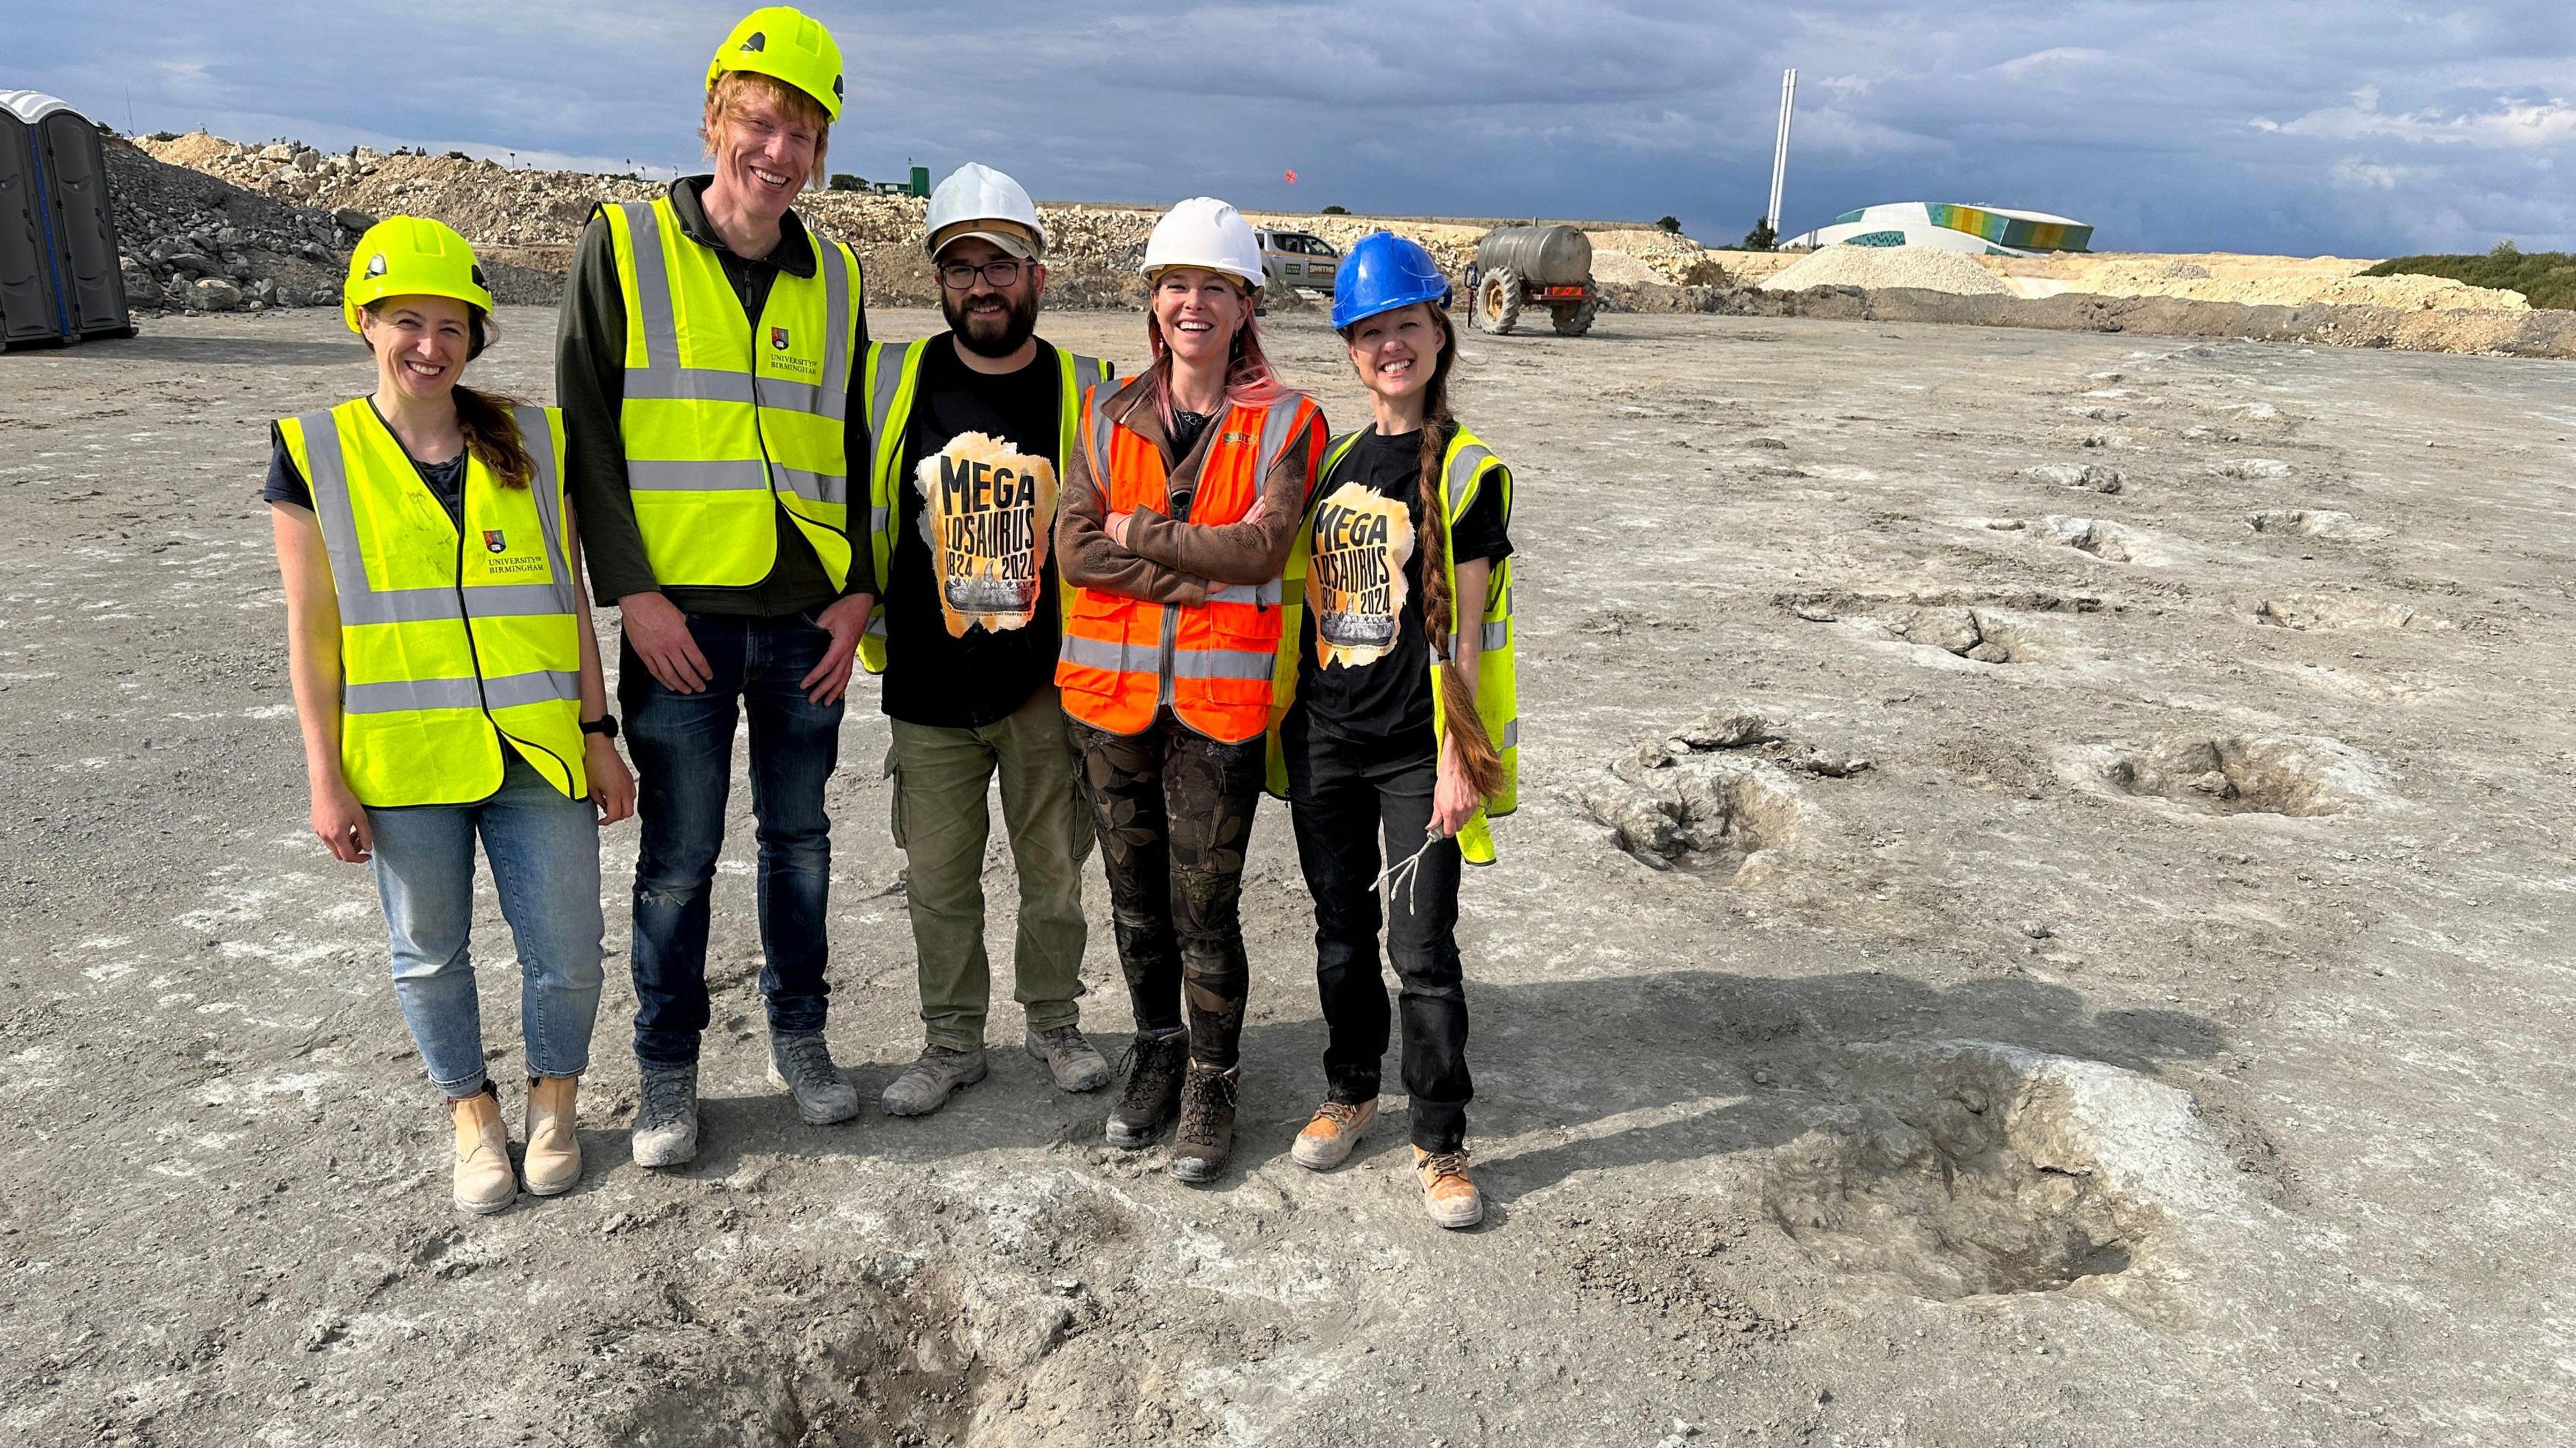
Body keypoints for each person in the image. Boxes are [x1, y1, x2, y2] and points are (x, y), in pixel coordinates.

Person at [556, 6, 872, 1166]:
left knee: (802, 841)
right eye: (760, 121)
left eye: (803, 133)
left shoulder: (835, 274)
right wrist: (633, 595)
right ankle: (668, 1073)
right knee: (679, 859)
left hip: (805, 619)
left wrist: (861, 593)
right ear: (714, 119)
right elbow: (588, 432)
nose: (778, 152)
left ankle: (801, 1038)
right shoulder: (624, 244)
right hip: (679, 623)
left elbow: (856, 443)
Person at [269, 217, 637, 1215]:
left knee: (566, 946)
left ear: (476, 339)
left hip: (537, 752)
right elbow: (313, 636)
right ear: (365, 321)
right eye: (406, 322)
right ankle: (472, 1114)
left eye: (451, 327)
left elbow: (568, 604)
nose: (429, 346)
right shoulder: (315, 453)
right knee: (428, 951)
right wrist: (324, 774)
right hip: (403, 757)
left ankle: (553, 1099)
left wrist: (599, 736)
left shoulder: (535, 439)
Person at [1056, 197, 1326, 1183]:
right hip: (1108, 705)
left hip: (1217, 711)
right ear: (1152, 300)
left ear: (1247, 302)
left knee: (1205, 907)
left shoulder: (1289, 421)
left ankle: (1215, 1077)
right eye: (1176, 285)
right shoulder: (1105, 413)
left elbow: (1263, 546)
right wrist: (1190, 561)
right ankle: (1158, 1053)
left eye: (1215, 286)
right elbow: (1075, 550)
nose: (1192, 304)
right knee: (1136, 904)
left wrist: (1139, 536)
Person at [1264, 233, 1520, 1229]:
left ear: (1439, 330)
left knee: (1422, 952)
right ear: (1350, 346)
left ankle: (1442, 1142)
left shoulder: (1467, 472)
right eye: (1369, 334)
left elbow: (1466, 639)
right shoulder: (1327, 460)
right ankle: (1351, 1089)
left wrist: (1462, 761)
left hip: (1418, 753)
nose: (1388, 348)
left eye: (1404, 327)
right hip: (1326, 740)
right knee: (1339, 934)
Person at [857, 163, 1119, 1115]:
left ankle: (1054, 1022)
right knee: (938, 879)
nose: (982, 285)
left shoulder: (1087, 391)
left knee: (1053, 872)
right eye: (961, 266)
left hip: (1047, 684)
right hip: (928, 686)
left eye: (1000, 264)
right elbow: (855, 515)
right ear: (938, 279)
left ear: (1038, 274)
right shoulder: (893, 381)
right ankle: (951, 1041)